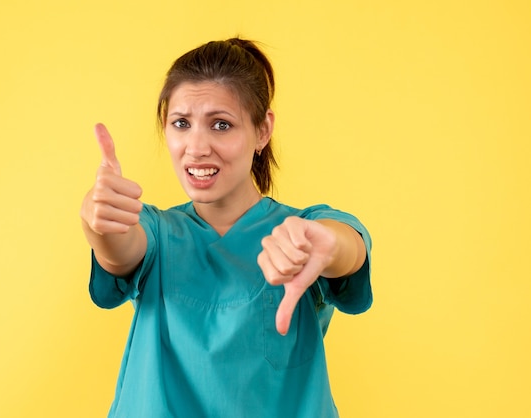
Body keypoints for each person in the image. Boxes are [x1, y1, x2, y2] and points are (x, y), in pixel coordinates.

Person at [80, 38, 373, 418]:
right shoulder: (157, 231)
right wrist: (99, 220)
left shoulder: (302, 230)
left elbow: (345, 244)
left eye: (221, 124)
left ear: (262, 131)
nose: (197, 147)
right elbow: (121, 247)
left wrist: (331, 246)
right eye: (181, 124)